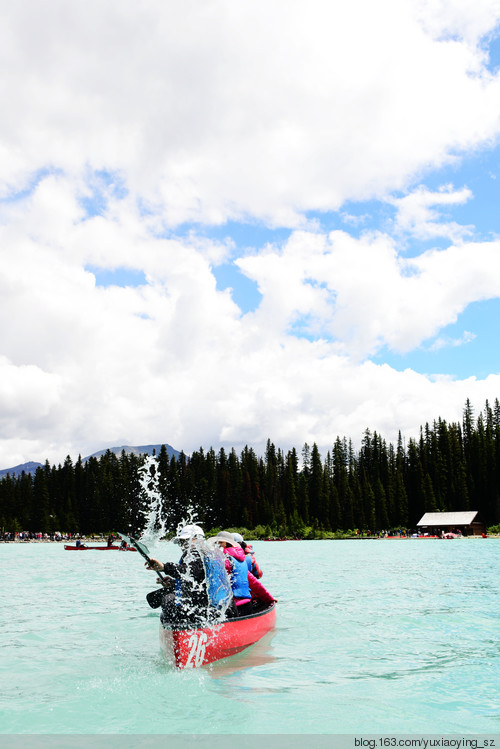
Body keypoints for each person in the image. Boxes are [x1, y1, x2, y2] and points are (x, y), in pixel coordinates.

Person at [145, 524, 231, 626]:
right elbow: (195, 579)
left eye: (185, 541)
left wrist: (164, 567)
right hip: (218, 606)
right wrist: (172, 583)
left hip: (209, 609)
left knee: (168, 600)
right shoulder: (211, 553)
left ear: (197, 539)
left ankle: (177, 631)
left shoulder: (198, 553)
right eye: (181, 542)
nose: (182, 545)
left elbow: (188, 571)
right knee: (158, 597)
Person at [213, 531, 276, 616]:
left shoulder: (223, 561)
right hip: (247, 606)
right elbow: (254, 583)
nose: (217, 546)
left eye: (219, 543)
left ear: (225, 544)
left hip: (232, 608)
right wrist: (269, 599)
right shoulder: (241, 562)